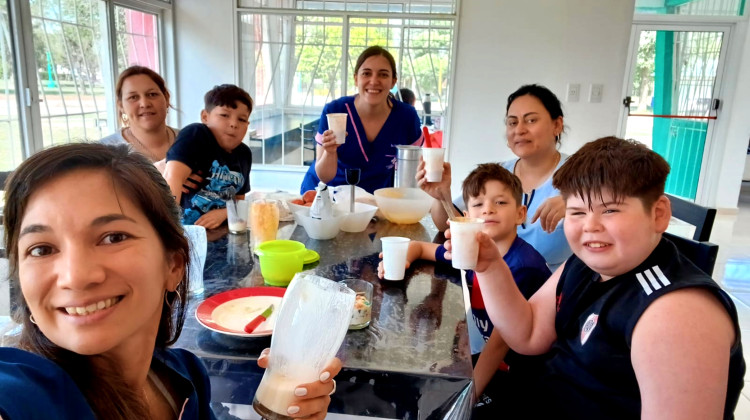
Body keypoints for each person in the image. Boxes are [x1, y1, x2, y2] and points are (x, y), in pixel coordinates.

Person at [0, 143, 340, 419]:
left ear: (174, 264)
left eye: (113, 237)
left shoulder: (182, 378)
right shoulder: (20, 397)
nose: (75, 276)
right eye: (42, 248)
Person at [448, 137, 745, 419]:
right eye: (577, 212)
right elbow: (526, 333)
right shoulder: (584, 264)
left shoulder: (676, 314)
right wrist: (490, 267)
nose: (590, 226)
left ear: (658, 214)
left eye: (610, 209)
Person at [377, 163, 550, 413]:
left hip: (528, 372)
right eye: (478, 204)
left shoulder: (523, 266)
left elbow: (500, 344)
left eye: (500, 202)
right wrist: (404, 257)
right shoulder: (472, 251)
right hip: (498, 358)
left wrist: (467, 399)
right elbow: (422, 247)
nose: (488, 209)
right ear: (467, 217)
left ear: (520, 213)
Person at [419, 84, 571, 269]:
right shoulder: (498, 174)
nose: (519, 130)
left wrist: (577, 205)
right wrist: (442, 195)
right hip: (492, 279)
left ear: (557, 125)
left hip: (551, 290)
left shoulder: (581, 174)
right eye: (513, 122)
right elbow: (451, 225)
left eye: (531, 120)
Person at [300, 46, 423, 194]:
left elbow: (413, 173)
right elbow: (325, 176)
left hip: (375, 201)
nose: (374, 81)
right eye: (366, 73)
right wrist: (330, 152)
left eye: (383, 75)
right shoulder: (335, 111)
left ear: (393, 82)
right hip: (327, 198)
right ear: (356, 78)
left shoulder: (406, 117)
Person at [163, 84, 253, 228]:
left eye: (241, 119)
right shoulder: (196, 135)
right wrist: (168, 229)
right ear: (205, 116)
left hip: (221, 234)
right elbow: (172, 178)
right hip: (184, 233)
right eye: (224, 115)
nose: (233, 124)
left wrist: (225, 213)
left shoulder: (244, 154)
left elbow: (239, 201)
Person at [100, 66, 177, 173]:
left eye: (152, 94)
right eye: (133, 97)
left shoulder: (195, 140)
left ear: (167, 98)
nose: (145, 104)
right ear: (121, 106)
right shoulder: (102, 153)